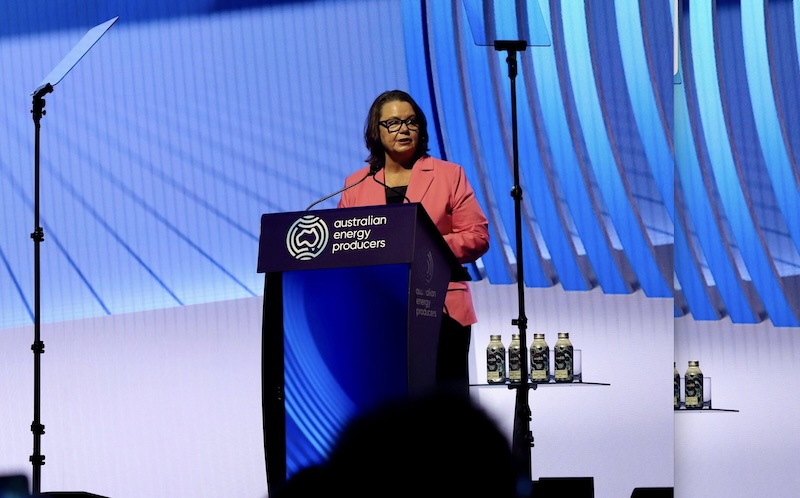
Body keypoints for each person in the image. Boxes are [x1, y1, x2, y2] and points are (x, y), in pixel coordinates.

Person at [338, 90, 490, 397]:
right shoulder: (356, 184)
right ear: (375, 132)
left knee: (443, 414)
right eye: (392, 123)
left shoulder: (449, 175)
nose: (404, 129)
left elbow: (477, 235)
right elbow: (343, 247)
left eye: (410, 121)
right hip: (380, 312)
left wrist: (425, 248)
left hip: (442, 311)